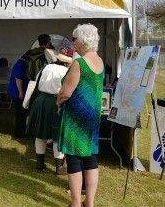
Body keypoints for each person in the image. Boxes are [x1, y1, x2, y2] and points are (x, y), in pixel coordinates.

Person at [56, 24, 104, 207]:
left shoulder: (79, 63)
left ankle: (76, 204)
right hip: (92, 117)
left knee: (74, 159)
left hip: (76, 118)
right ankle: (89, 203)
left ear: (82, 40)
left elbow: (66, 92)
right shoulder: (99, 61)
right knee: (90, 158)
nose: (72, 42)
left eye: (74, 39)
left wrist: (58, 102)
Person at [26, 47, 73, 175]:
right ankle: (59, 168)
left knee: (40, 133)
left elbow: (36, 82)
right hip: (56, 102)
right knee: (57, 135)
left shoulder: (45, 67)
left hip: (40, 100)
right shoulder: (67, 71)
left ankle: (39, 163)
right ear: (68, 61)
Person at [7, 50, 31, 138]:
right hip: (17, 93)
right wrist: (21, 92)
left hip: (17, 92)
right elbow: (18, 79)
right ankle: (20, 133)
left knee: (21, 114)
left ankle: (20, 132)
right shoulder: (21, 65)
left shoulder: (19, 63)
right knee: (20, 114)